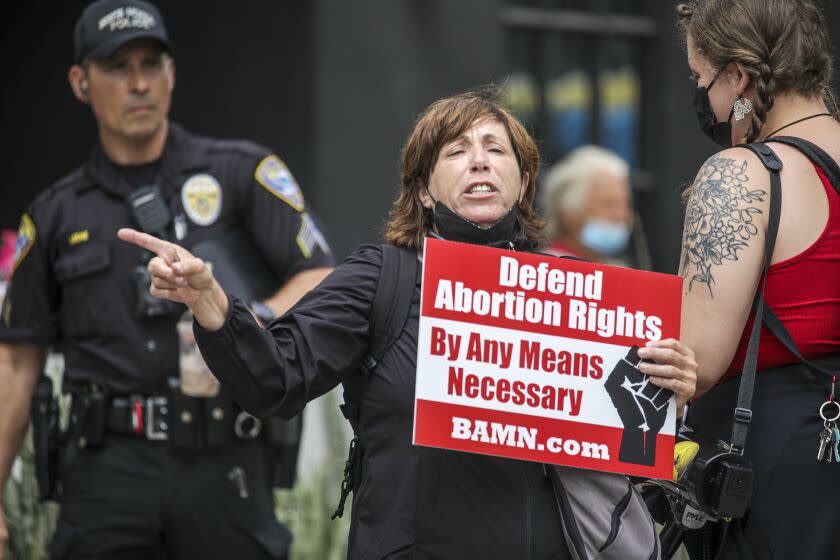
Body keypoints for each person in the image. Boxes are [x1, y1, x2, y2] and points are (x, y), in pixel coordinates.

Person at [120, 90, 699, 559]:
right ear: (423, 190)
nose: (479, 159)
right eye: (456, 150)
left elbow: (634, 437)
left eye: (497, 149)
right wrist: (211, 303)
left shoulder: (579, 291)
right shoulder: (383, 277)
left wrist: (673, 384)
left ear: (522, 182)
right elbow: (274, 376)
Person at [0, 1, 333, 558]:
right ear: (81, 82)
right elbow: (15, 361)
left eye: (151, 64)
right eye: (117, 67)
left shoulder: (240, 172)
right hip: (105, 472)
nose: (138, 83)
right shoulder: (56, 213)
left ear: (172, 74)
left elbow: (321, 277)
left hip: (224, 461)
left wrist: (244, 325)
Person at [673, 1, 840, 558]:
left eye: (703, 79)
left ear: (740, 76)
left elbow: (693, 365)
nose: (705, 98)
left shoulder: (743, 174)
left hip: (778, 478)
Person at [540, 145, 644, 268]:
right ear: (568, 215)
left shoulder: (619, 269)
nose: (622, 215)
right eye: (608, 204)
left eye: (625, 204)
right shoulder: (545, 271)